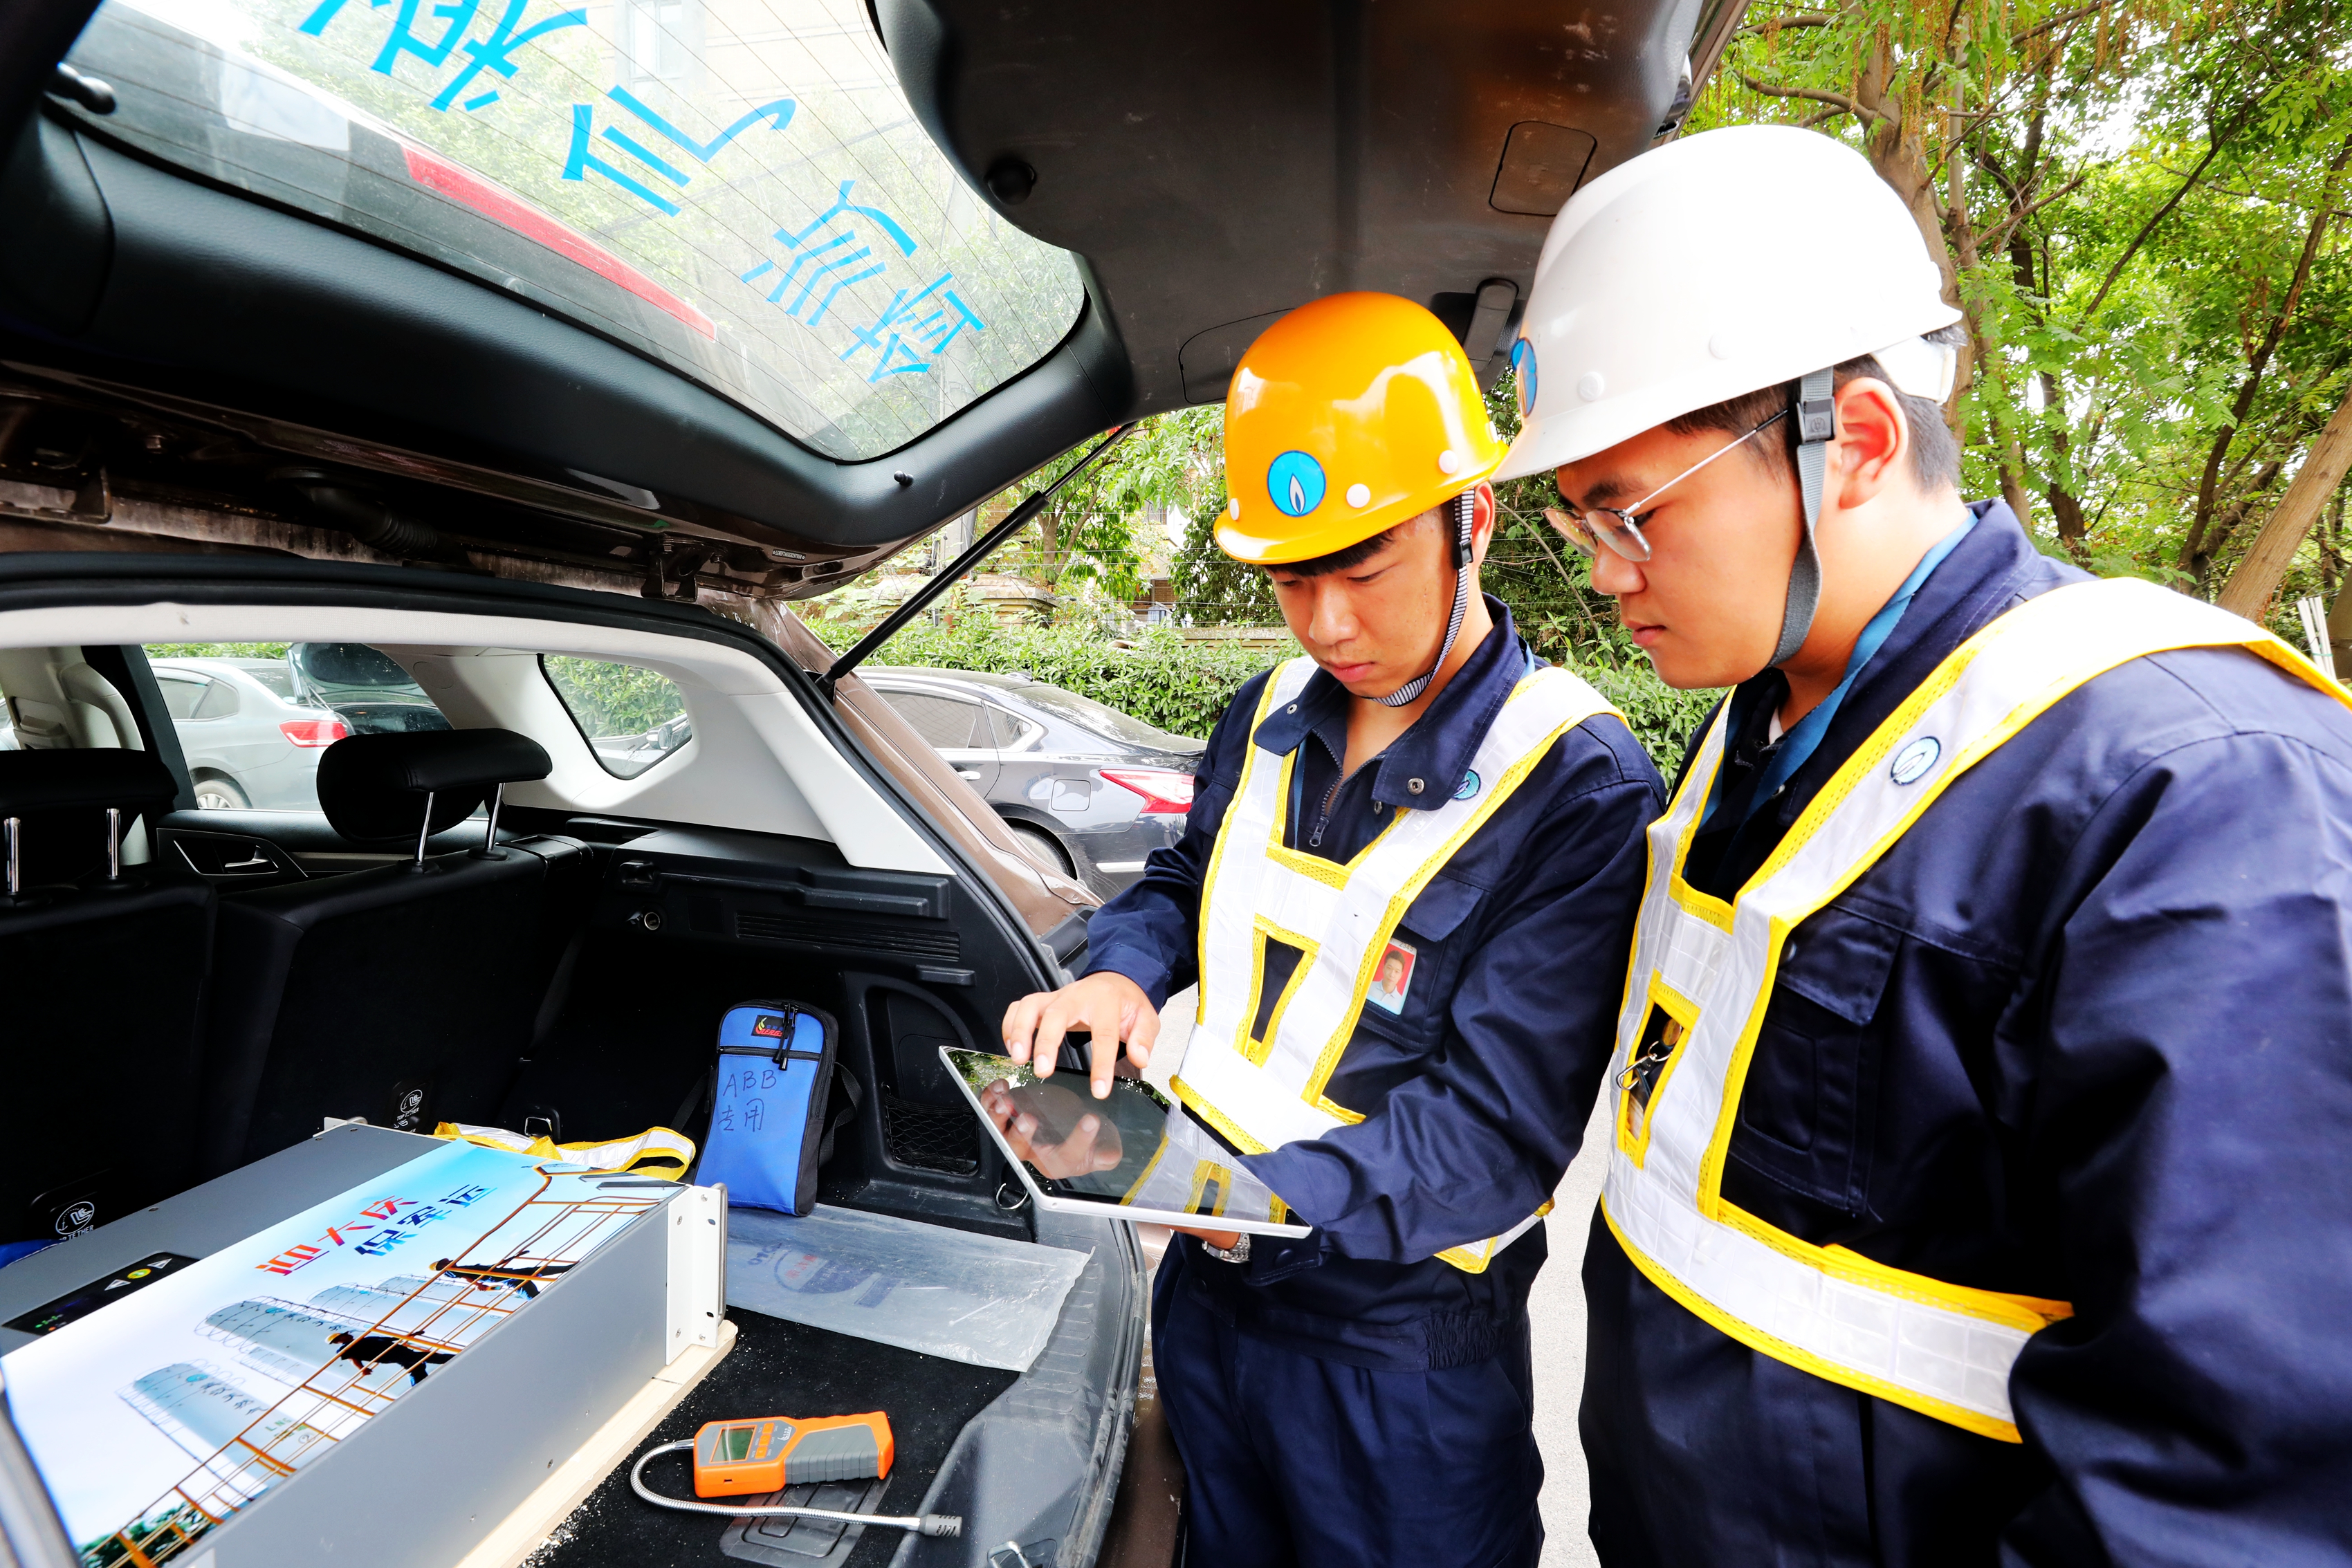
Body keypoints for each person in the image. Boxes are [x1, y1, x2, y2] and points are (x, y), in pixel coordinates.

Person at [1500, 122, 2352, 1563]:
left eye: (1628, 513)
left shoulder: (2186, 795)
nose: (1598, 569)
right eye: (1577, 517)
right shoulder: (1753, 734)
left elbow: (2223, 1490)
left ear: (1859, 444)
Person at [995, 291, 1662, 1568]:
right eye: (1293, 580)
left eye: (1365, 568)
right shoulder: (1268, 708)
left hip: (1397, 1354)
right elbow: (1186, 879)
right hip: (1209, 1295)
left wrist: (1254, 1200)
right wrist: (1122, 979)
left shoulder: (1575, 780)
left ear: (1475, 520)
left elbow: (1499, 1126)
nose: (1329, 625)